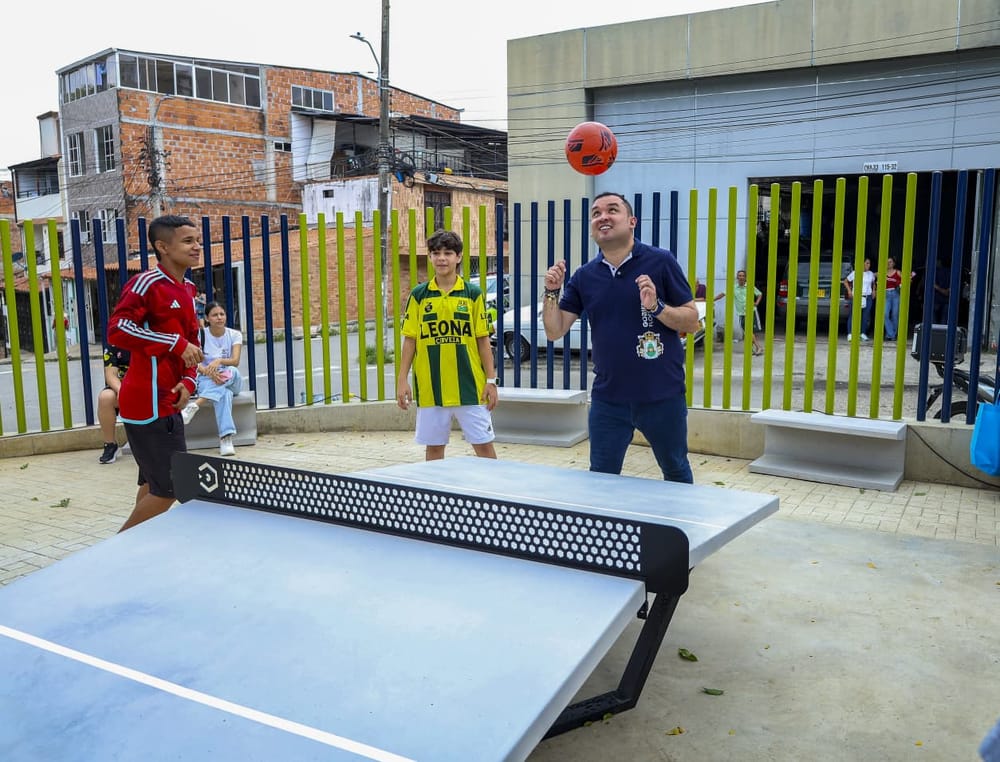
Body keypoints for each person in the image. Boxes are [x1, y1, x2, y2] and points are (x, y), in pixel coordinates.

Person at [542, 191, 701, 483]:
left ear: (631, 221)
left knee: (676, 470)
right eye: (596, 213)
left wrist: (656, 307)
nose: (603, 217)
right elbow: (555, 330)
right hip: (608, 399)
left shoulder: (660, 261)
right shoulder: (585, 276)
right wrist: (551, 291)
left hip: (662, 396)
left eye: (612, 210)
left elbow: (692, 322)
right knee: (602, 478)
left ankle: (682, 515)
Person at [107, 215, 203, 532]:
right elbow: (118, 329)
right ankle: (118, 549)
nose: (197, 247)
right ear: (162, 247)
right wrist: (174, 343)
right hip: (146, 403)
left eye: (198, 241)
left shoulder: (188, 288)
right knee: (171, 488)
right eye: (188, 241)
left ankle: (138, 544)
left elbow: (194, 342)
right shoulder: (146, 284)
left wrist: (188, 380)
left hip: (170, 400)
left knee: (153, 483)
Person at [396, 229, 499, 461]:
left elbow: (483, 340)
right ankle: (434, 488)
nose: (442, 258)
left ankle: (493, 486)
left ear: (459, 256)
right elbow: (410, 340)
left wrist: (491, 381)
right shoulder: (419, 295)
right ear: (430, 257)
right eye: (436, 253)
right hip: (431, 388)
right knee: (434, 450)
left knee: (484, 448)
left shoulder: (473, 294)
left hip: (471, 387)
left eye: (448, 253)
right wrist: (402, 380)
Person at [181, 300, 243, 457]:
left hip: (230, 378)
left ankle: (195, 405)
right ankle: (226, 439)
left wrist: (219, 361)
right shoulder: (200, 335)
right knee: (224, 394)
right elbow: (193, 363)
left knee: (233, 371)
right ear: (207, 318)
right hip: (207, 379)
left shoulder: (234, 335)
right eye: (215, 315)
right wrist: (208, 372)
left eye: (222, 314)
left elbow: (235, 361)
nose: (219, 317)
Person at [714, 269, 763, 355]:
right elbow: (722, 294)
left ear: (745, 277)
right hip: (741, 313)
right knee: (747, 332)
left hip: (751, 312)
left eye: (743, 276)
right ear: (737, 277)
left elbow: (759, 294)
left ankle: (758, 347)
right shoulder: (733, 288)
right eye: (739, 275)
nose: (741, 277)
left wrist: (756, 303)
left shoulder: (750, 286)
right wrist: (711, 299)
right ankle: (752, 349)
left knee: (748, 331)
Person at [96, 344, 131, 464]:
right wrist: (121, 390)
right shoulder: (114, 344)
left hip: (147, 387)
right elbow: (110, 374)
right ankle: (110, 444)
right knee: (105, 398)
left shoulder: (150, 338)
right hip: (122, 387)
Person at [881, 256, 915, 341]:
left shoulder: (898, 272)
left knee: (895, 315)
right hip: (886, 294)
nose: (888, 263)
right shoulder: (882, 272)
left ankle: (891, 334)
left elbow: (908, 281)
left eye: (890, 262)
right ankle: (891, 334)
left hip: (895, 294)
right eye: (887, 262)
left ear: (894, 263)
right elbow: (872, 276)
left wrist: (907, 280)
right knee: (885, 314)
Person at [843, 257, 876, 341]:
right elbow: (845, 281)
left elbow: (873, 283)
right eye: (867, 263)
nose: (868, 265)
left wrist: (874, 291)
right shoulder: (855, 273)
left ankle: (862, 333)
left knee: (865, 316)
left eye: (869, 263)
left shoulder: (871, 274)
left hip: (867, 297)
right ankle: (850, 334)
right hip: (857, 297)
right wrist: (849, 291)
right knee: (853, 315)